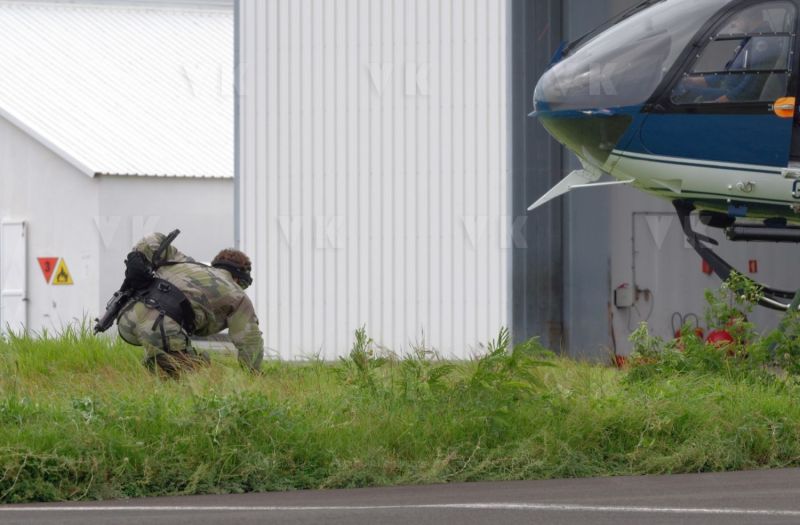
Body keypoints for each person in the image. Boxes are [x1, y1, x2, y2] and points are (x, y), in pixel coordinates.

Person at [113, 232, 264, 377]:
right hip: (162, 328)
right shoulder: (238, 295)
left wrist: (136, 257)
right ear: (238, 279)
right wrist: (253, 375)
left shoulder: (182, 261)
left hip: (127, 317)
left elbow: (154, 238)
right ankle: (164, 365)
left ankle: (156, 365)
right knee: (201, 374)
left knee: (164, 365)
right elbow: (250, 341)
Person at [672, 8, 787, 104]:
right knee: (682, 86)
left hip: (734, 97)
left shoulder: (762, 43)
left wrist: (717, 103)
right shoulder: (751, 38)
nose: (733, 23)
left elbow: (750, 90)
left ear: (749, 17)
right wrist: (693, 80)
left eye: (737, 18)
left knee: (682, 94)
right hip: (728, 90)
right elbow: (727, 74)